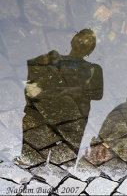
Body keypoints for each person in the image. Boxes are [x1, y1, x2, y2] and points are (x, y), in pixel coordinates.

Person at [19, 29, 103, 165]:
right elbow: (30, 86)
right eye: (80, 38)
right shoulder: (49, 60)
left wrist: (76, 91)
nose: (82, 43)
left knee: (62, 164)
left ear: (90, 51)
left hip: (73, 121)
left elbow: (97, 94)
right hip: (41, 115)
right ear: (72, 40)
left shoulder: (94, 69)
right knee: (30, 160)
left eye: (88, 43)